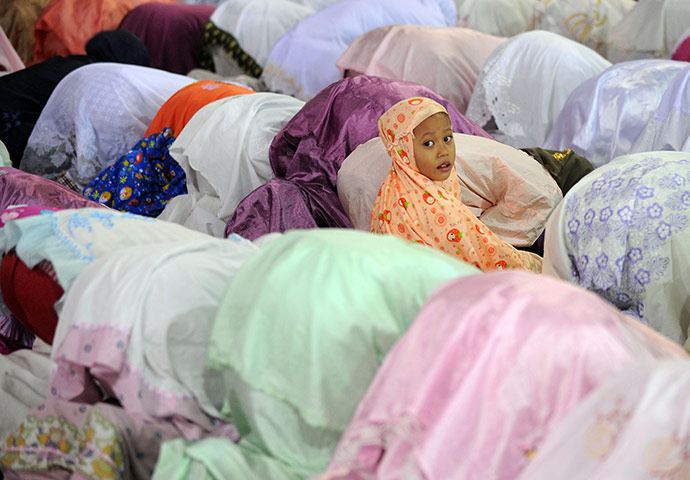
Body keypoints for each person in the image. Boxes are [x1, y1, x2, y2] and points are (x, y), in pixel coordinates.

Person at [372, 97, 542, 272]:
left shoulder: (392, 187)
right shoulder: (432, 206)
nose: (443, 152)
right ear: (403, 149)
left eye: (447, 138)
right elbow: (484, 254)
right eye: (428, 143)